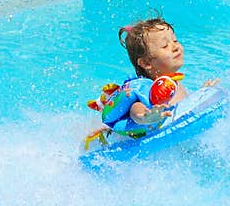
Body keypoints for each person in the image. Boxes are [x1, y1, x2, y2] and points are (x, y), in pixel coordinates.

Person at [87, 17, 218, 140]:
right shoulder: (148, 90)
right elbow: (135, 109)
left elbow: (182, 107)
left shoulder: (172, 83)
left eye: (175, 41)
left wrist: (201, 94)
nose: (175, 47)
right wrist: (146, 117)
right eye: (165, 46)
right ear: (146, 63)